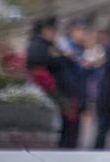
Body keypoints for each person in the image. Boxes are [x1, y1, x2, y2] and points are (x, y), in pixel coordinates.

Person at [26, 16, 83, 148]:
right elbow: (41, 66)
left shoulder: (52, 46)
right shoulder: (38, 46)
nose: (55, 34)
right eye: (53, 30)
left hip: (65, 97)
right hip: (56, 98)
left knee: (70, 134)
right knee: (63, 136)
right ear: (45, 30)